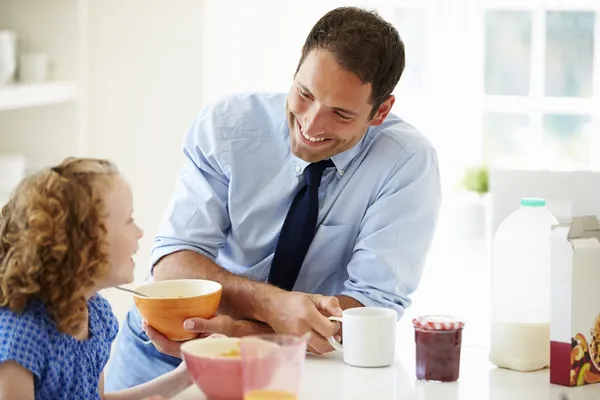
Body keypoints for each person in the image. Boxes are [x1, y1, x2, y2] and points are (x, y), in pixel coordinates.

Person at [106, 6, 441, 390]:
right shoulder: (228, 126)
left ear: (380, 111)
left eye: (341, 114)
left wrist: (242, 330)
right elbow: (173, 263)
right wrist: (269, 305)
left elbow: (371, 307)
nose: (312, 125)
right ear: (297, 66)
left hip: (290, 362)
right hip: (167, 344)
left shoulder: (405, 162)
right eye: (304, 93)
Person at [0, 158, 193, 399]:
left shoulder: (95, 314)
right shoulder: (21, 336)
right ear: (84, 243)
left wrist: (188, 374)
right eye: (129, 219)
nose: (139, 231)